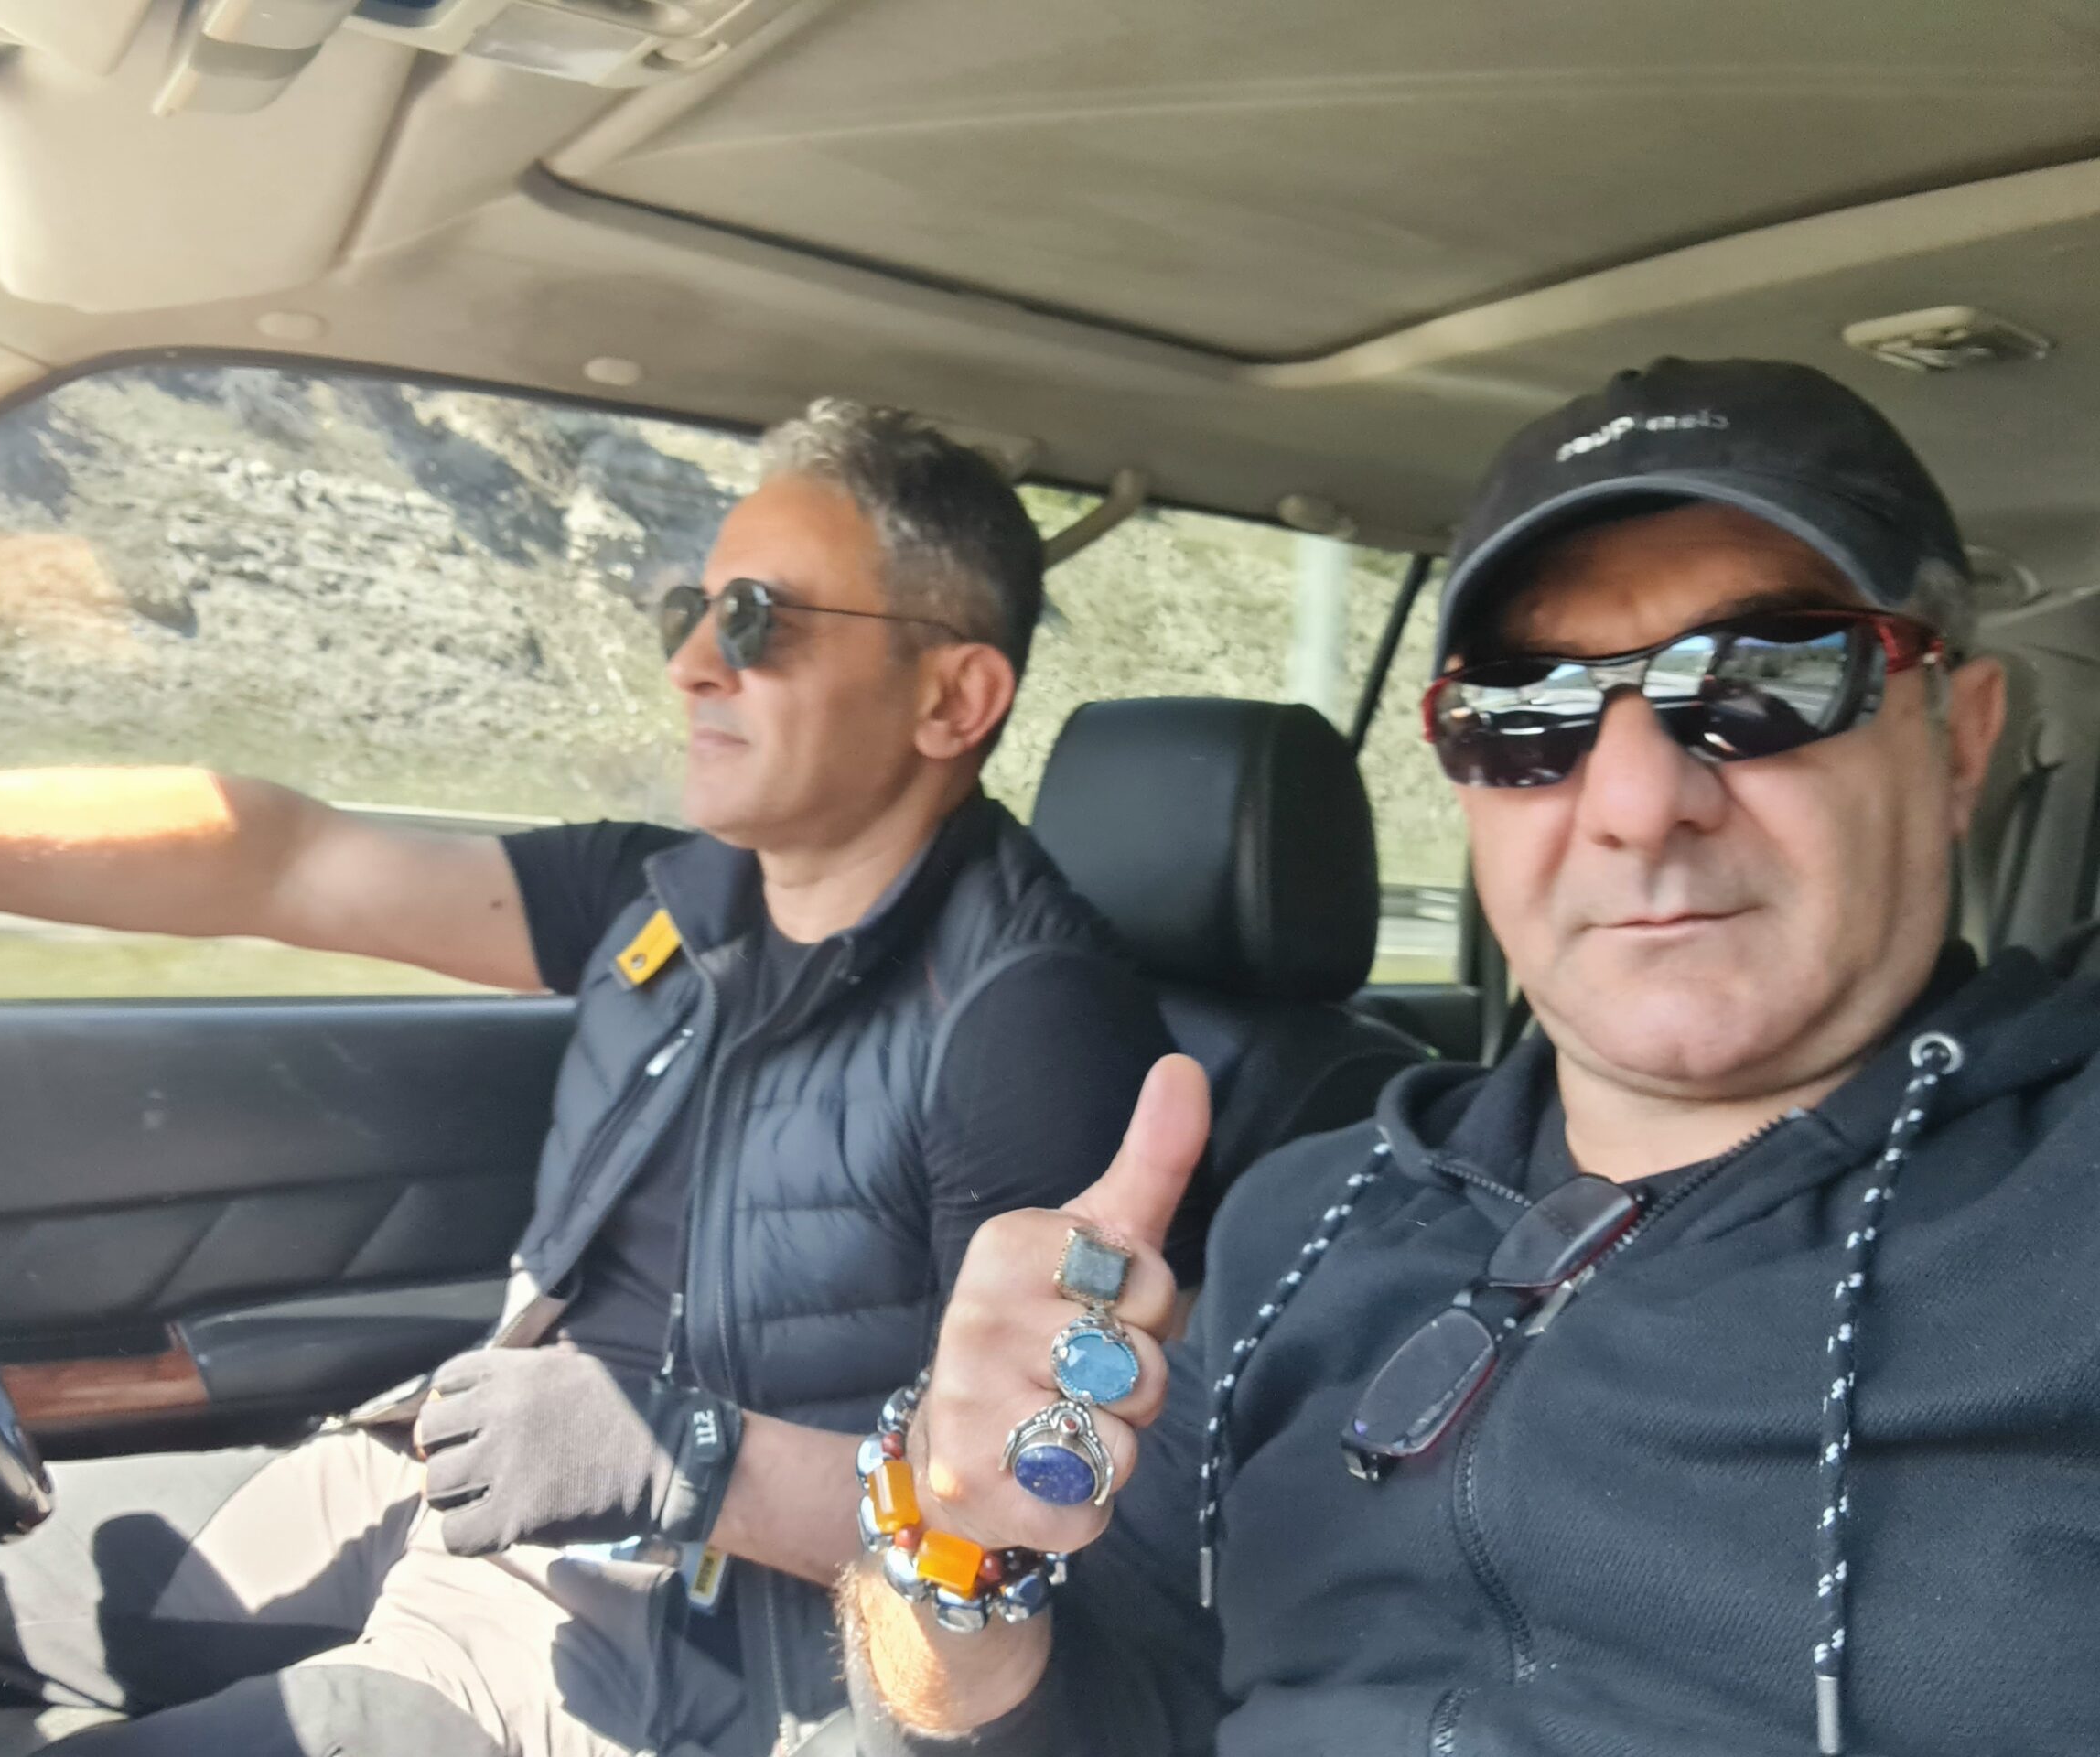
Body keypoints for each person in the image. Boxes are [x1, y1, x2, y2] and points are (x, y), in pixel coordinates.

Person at [0, 400, 1181, 1757]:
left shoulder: (1031, 1029)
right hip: (477, 1489)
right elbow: (282, 861)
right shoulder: (667, 901)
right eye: (687, 612)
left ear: (952, 697)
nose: (694, 664)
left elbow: (1052, 1535)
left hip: (701, 1655)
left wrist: (690, 1459)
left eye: (758, 618)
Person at [835, 357, 2100, 1757]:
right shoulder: (1300, 1223)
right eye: (1527, 710)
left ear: (1961, 742)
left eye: (1767, 677)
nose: (1636, 801)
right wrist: (951, 1542)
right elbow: (1058, 1712)